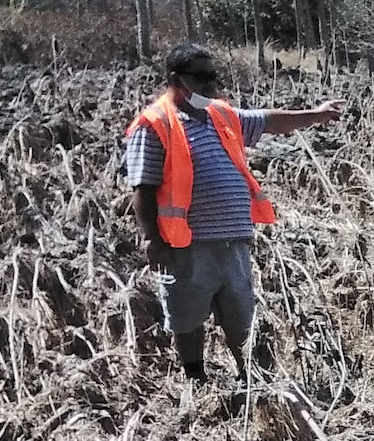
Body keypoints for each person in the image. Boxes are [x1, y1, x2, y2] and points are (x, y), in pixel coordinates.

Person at [123, 43, 346, 383]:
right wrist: (152, 239)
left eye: (214, 76)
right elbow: (143, 188)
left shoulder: (221, 114)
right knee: (188, 317)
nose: (211, 85)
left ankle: (251, 380)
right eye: (201, 78)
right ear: (175, 79)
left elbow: (269, 120)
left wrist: (316, 114)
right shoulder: (154, 124)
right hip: (187, 244)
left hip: (234, 240)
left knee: (240, 316)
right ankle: (196, 380)